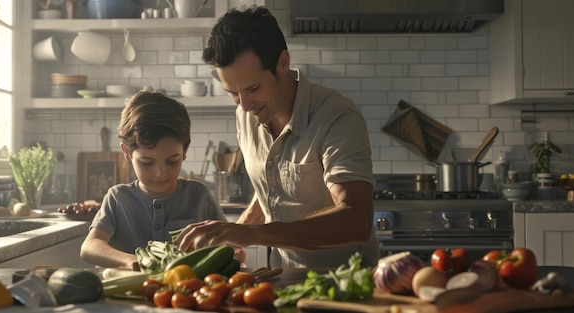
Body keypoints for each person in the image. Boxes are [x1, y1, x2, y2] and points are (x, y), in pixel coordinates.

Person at [174, 6, 380, 269]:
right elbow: (273, 188)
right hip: (281, 280)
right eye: (233, 92)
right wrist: (234, 234)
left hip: (344, 286)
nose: (245, 105)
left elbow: (356, 220)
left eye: (253, 88)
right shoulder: (246, 114)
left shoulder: (337, 117)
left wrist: (253, 234)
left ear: (283, 63)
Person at [80, 91, 227, 269]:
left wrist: (233, 251)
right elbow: (89, 247)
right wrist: (133, 261)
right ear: (126, 152)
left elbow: (226, 243)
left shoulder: (199, 195)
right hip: (126, 295)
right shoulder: (118, 198)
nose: (160, 172)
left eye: (172, 161)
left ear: (185, 151)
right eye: (147, 162)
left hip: (184, 292)